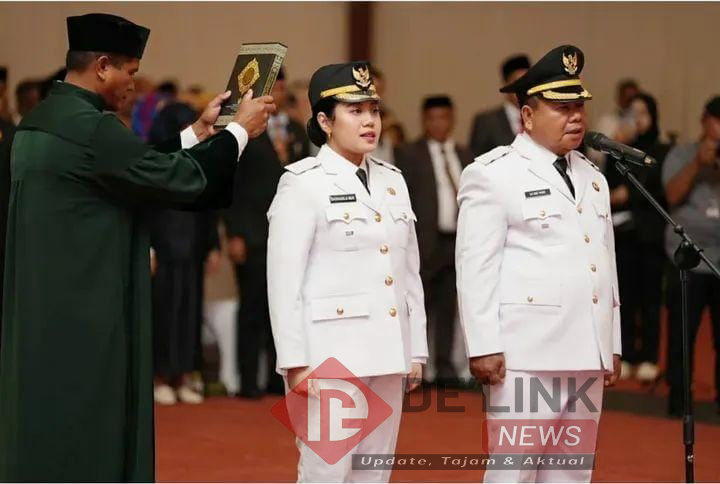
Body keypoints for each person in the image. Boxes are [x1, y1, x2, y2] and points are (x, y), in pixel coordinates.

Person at [0, 13, 275, 482]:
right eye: (130, 71)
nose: (133, 83)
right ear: (102, 66)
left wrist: (198, 132)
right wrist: (239, 132)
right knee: (90, 429)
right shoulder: (91, 128)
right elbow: (176, 179)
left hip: (44, 307)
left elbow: (131, 165)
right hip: (87, 311)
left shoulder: (42, 123)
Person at [456, 45, 621, 483]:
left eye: (580, 107)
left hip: (585, 350)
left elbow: (603, 263)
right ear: (527, 116)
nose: (576, 117)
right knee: (514, 473)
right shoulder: (494, 174)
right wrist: (483, 345)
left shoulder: (593, 176)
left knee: (572, 475)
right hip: (525, 355)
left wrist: (612, 341)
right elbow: (476, 266)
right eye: (562, 108)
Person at [267, 62, 427, 482]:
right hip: (329, 353)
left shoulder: (392, 180)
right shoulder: (303, 183)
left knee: (374, 472)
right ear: (325, 121)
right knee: (327, 472)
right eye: (355, 111)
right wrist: (295, 361)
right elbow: (284, 282)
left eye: (373, 110)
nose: (369, 121)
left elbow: (408, 272)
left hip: (388, 348)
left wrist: (416, 349)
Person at [224, 68, 309, 399]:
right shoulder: (244, 130)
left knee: (286, 305)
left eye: (282, 87)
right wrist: (233, 232)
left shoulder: (297, 130)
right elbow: (230, 184)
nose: (278, 92)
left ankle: (278, 379)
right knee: (252, 306)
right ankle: (248, 381)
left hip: (289, 232)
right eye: (273, 86)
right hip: (252, 231)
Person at [148, 100, 223, 405]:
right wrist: (147, 248)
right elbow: (143, 208)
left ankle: (183, 375)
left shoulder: (199, 158)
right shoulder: (155, 158)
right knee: (163, 315)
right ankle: (159, 377)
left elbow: (209, 205)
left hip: (192, 249)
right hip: (163, 251)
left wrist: (213, 246)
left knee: (189, 315)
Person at [395, 95, 472, 385]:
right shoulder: (408, 153)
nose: (439, 124)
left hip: (456, 241)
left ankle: (445, 366)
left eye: (444, 118)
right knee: (419, 306)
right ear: (424, 120)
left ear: (452, 119)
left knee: (449, 306)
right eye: (432, 118)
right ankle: (416, 366)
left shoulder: (465, 154)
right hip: (424, 241)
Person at [604, 92, 669, 382]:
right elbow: (608, 184)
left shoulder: (662, 149)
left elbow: (657, 186)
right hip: (623, 233)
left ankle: (649, 356)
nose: (638, 119)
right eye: (633, 113)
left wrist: (628, 194)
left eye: (643, 113)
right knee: (625, 298)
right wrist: (616, 148)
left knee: (650, 299)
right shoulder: (619, 148)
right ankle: (627, 352)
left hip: (650, 235)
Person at [662, 95, 720, 417]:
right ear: (704, 121)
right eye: (717, 121)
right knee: (682, 336)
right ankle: (679, 399)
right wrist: (698, 163)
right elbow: (671, 195)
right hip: (687, 258)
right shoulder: (682, 154)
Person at [468, 54, 530, 157]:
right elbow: (475, 158)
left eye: (527, 82)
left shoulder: (540, 116)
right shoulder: (487, 122)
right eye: (517, 82)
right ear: (506, 85)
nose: (523, 88)